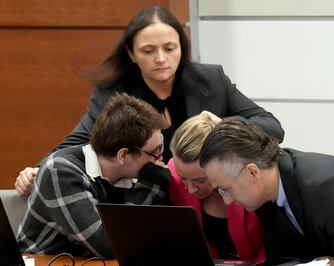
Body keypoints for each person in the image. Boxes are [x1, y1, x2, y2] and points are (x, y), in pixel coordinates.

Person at [15, 5, 284, 196]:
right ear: (131, 54)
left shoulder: (211, 79)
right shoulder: (113, 92)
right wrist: (37, 170)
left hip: (211, 194)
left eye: (169, 48)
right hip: (145, 196)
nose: (161, 59)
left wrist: (224, 126)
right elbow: (78, 142)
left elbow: (272, 127)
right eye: (148, 50)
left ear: (182, 46)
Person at [199, 117, 334, 266]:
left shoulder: (332, 187)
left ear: (252, 172)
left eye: (225, 189)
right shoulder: (265, 195)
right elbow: (281, 260)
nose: (227, 201)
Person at [17, 94, 172, 258]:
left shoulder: (129, 174)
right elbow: (111, 246)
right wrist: (152, 183)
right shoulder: (60, 172)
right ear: (124, 155)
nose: (160, 157)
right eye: (155, 152)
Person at [168, 112, 265, 263]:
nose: (191, 189)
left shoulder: (252, 183)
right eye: (183, 178)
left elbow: (277, 244)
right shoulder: (172, 177)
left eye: (200, 179)